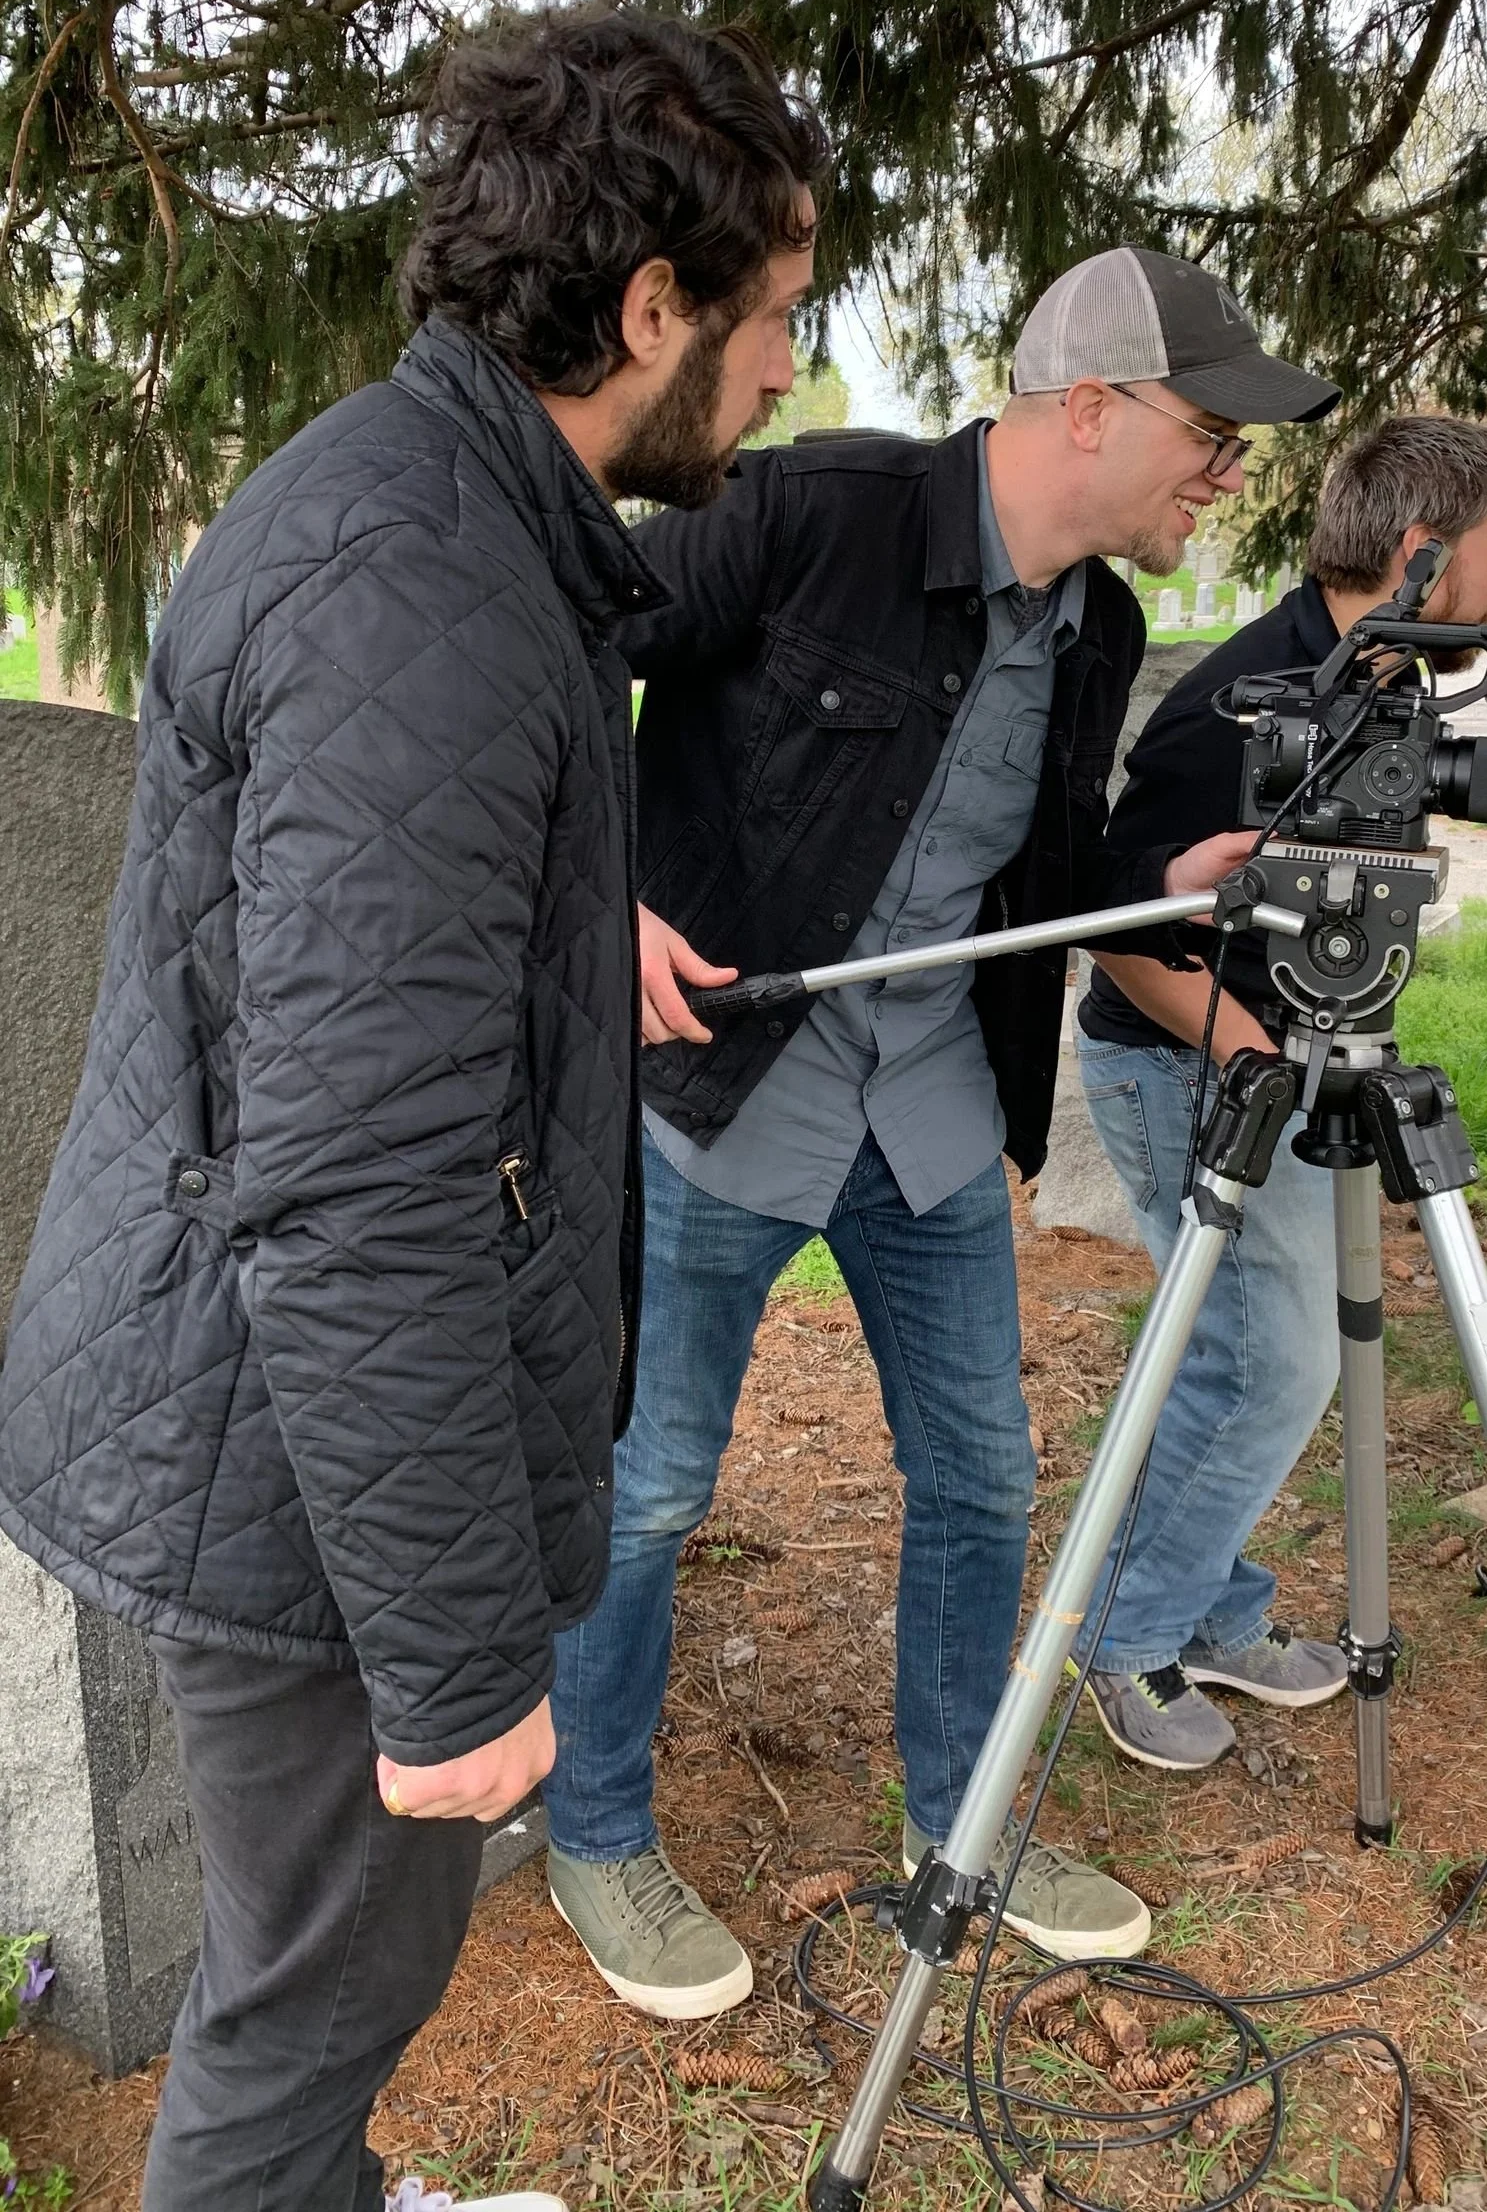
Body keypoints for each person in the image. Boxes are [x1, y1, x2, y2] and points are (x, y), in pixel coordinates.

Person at [0, 9, 827, 2212]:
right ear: (652, 303)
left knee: (321, 1977)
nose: (778, 378)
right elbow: (359, 1177)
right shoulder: (433, 576)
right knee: (312, 1999)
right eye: (773, 321)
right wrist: (463, 1662)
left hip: (277, 1430)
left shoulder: (447, 511)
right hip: (297, 1457)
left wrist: (575, 933)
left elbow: (365, 963)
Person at [539, 246, 1342, 2019]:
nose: (1228, 474)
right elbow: (550, 632)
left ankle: (958, 1821)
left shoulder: (1106, 632)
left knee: (983, 1479)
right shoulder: (815, 508)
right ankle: (594, 1831)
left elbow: (1056, 880)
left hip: (927, 1115)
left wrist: (1173, 884)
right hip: (720, 1096)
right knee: (655, 1485)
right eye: (1208, 433)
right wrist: (584, 892)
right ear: (1088, 411)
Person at [1074, 415, 1487, 1770]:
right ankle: (1124, 1635)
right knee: (1273, 1357)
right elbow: (1116, 925)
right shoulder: (1247, 703)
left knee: (1248, 1351)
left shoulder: (1389, 674)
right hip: (1190, 1060)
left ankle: (1213, 1612)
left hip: (1296, 1052)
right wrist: (1252, 1062)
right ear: (1421, 551)